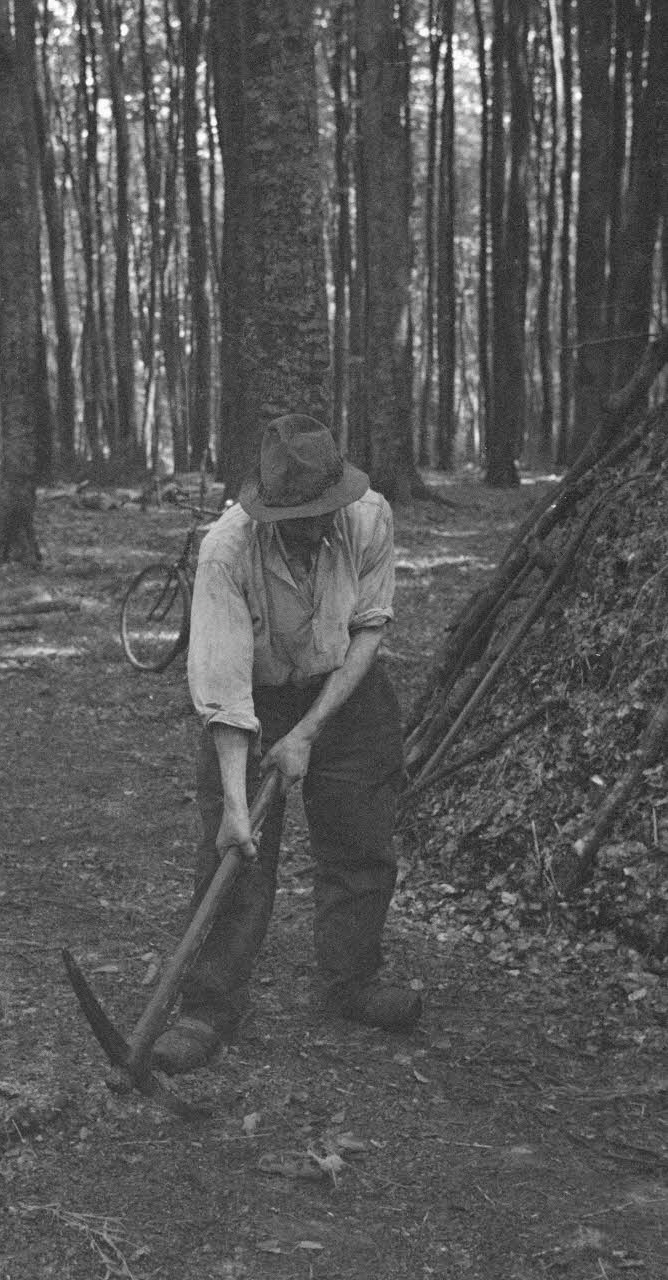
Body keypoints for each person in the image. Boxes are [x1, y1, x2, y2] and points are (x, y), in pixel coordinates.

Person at [152, 414, 421, 1074]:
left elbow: (367, 631)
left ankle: (349, 982)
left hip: (345, 691)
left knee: (360, 840)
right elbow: (222, 687)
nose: (307, 525)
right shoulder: (225, 551)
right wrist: (237, 805)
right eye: (292, 514)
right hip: (255, 696)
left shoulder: (369, 518)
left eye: (318, 511)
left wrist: (307, 732)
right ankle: (208, 1006)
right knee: (234, 854)